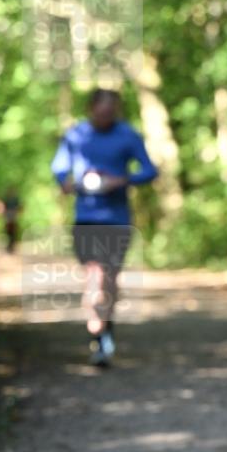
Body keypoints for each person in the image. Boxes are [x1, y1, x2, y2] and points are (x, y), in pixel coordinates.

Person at [51, 88, 158, 366]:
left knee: (109, 278)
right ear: (91, 110)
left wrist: (122, 180)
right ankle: (98, 334)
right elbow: (59, 167)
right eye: (101, 113)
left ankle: (104, 331)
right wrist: (66, 182)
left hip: (117, 219)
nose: (106, 117)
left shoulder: (127, 135)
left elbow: (149, 170)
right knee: (94, 276)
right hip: (86, 217)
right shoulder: (76, 135)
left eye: (111, 113)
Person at [0, 188, 22, 253]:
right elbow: (4, 208)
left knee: (14, 232)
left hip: (14, 217)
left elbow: (19, 208)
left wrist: (17, 213)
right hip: (8, 217)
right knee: (8, 231)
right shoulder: (6, 200)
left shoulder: (16, 200)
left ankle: (12, 246)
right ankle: (9, 246)